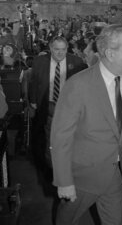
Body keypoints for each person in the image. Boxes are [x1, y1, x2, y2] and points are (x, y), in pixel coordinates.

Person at [50, 24, 122, 225]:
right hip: (84, 175)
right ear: (110, 53)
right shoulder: (78, 85)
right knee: (66, 220)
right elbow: (60, 137)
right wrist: (64, 181)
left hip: (114, 171)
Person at [29, 36, 88, 172]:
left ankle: (67, 163)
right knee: (48, 134)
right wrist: (33, 100)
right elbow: (34, 82)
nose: (60, 53)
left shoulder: (77, 62)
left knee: (67, 135)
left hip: (68, 106)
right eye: (56, 49)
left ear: (67, 49)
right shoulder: (39, 61)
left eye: (63, 49)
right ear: (50, 49)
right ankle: (51, 166)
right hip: (47, 103)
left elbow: (82, 86)